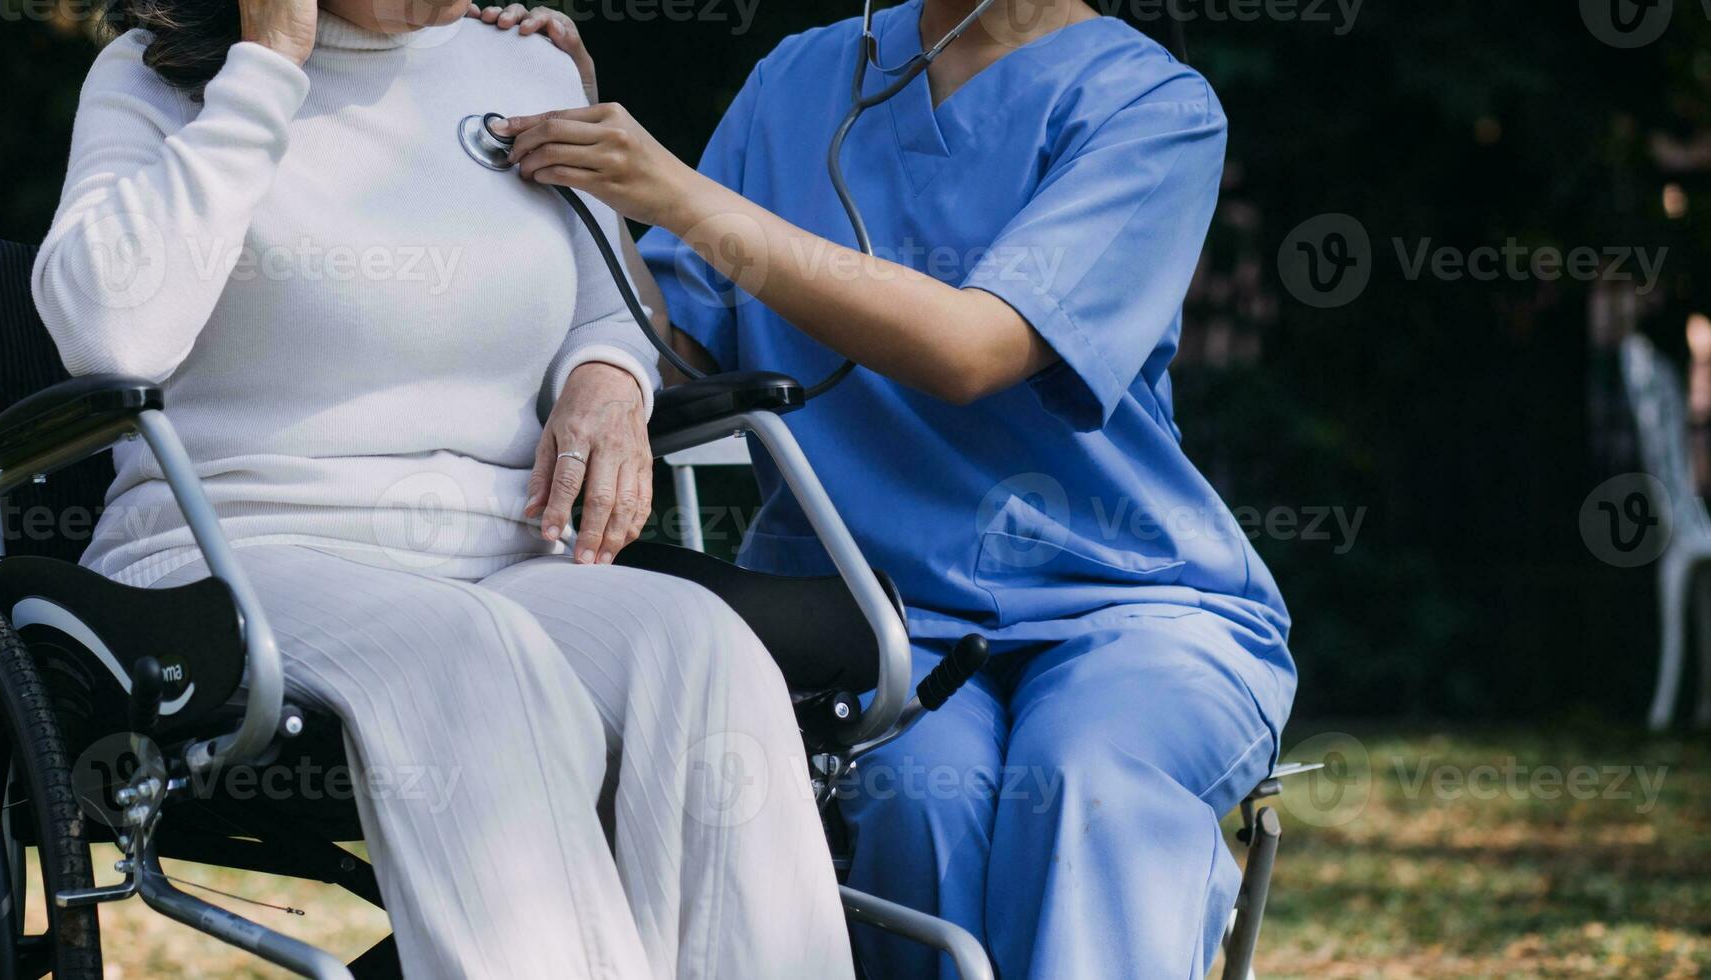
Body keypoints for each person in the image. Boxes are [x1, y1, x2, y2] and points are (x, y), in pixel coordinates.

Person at [30, 0, 855, 976]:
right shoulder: (156, 74)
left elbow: (610, 308)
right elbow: (107, 335)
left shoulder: (524, 68)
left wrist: (607, 378)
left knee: (701, 647)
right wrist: (268, 65)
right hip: (233, 546)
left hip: (501, 550)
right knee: (471, 651)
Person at [482, 0, 1297, 976]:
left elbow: (972, 347)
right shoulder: (797, 77)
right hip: (866, 613)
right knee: (920, 799)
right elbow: (680, 344)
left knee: (1090, 777)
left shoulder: (1150, 106)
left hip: (1129, 602)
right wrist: (589, 165)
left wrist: (680, 194)